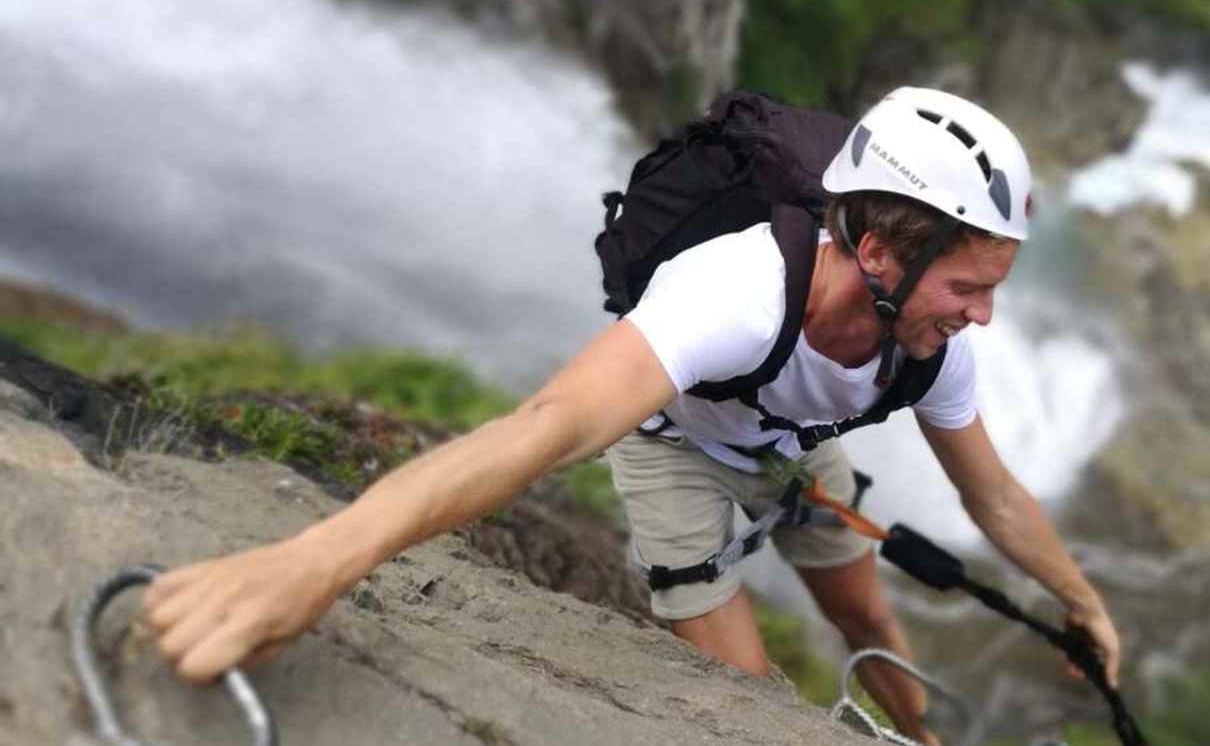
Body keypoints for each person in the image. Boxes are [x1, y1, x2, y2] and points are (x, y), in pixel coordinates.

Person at [143, 87, 1122, 745]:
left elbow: (989, 492)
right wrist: (314, 562)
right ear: (876, 255)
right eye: (967, 285)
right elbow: (549, 426)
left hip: (789, 453)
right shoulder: (733, 294)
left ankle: (920, 738)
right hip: (678, 454)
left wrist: (1082, 603)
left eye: (992, 289)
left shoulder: (933, 344)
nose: (982, 318)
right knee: (748, 709)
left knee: (863, 607)